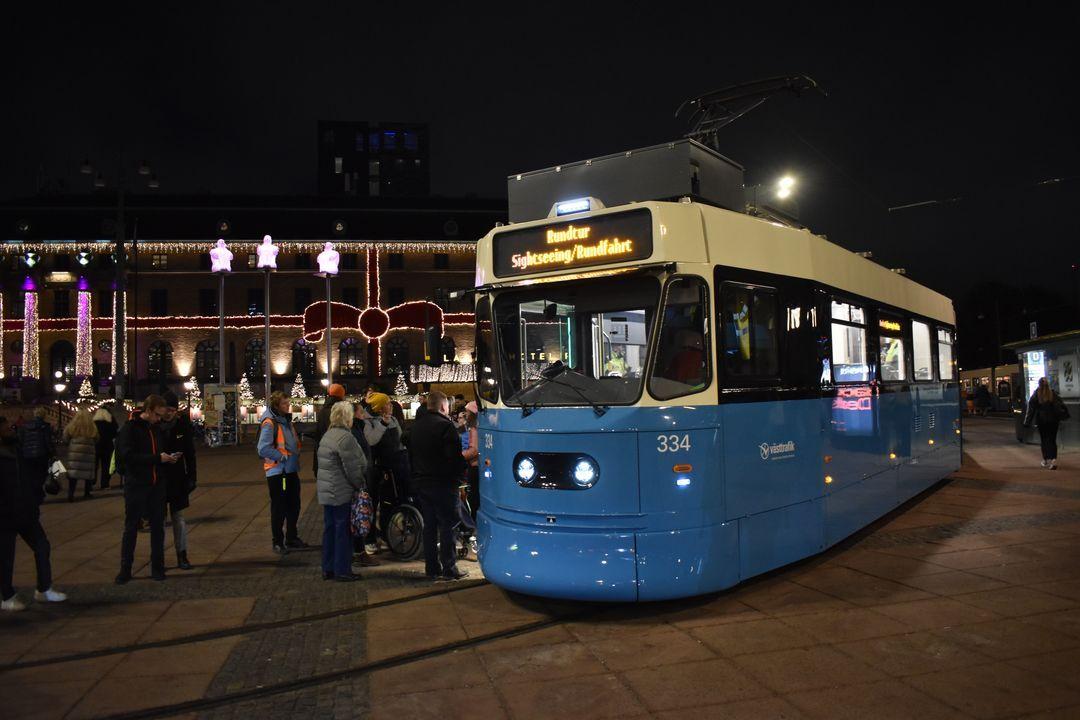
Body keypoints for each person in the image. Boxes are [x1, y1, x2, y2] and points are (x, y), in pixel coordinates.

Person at [1, 416, 67, 611]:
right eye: (5, 429)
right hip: (5, 513)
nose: (11, 430)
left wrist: (52, 479)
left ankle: (44, 588)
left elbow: (42, 466)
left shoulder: (19, 450)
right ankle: (7, 595)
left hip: (26, 509)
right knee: (6, 556)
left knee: (42, 547)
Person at [115, 395, 178, 584]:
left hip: (157, 483)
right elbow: (127, 456)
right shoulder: (130, 429)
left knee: (158, 527)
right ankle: (125, 569)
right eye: (157, 415)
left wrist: (167, 458)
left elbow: (159, 451)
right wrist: (157, 458)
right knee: (131, 526)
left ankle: (158, 568)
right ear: (148, 410)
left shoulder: (156, 429)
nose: (159, 419)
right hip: (137, 484)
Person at [409, 391, 468, 581]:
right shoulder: (445, 426)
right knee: (448, 525)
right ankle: (449, 567)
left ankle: (432, 566)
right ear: (443, 406)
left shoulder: (416, 426)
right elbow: (454, 458)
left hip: (422, 482)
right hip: (443, 483)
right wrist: (459, 476)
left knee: (430, 526)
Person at [316, 401, 367, 582]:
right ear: (347, 417)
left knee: (330, 529)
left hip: (327, 492)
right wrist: (359, 484)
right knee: (343, 531)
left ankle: (328, 567)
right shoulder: (346, 438)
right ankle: (342, 569)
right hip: (341, 492)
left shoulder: (328, 435)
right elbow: (353, 469)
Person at [257, 391, 305, 554]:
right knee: (279, 507)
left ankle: (291, 537)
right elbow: (262, 448)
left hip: (290, 470)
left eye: (288, 402)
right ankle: (278, 541)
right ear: (277, 405)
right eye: (284, 403)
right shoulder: (270, 422)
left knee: (294, 505)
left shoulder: (285, 420)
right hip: (278, 472)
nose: (288, 405)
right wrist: (281, 457)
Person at [160, 391, 197, 570]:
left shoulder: (182, 426)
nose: (169, 413)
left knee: (179, 518)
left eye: (172, 410)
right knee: (159, 519)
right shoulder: (154, 426)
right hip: (158, 478)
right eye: (166, 409)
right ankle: (158, 557)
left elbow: (190, 453)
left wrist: (192, 477)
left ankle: (182, 555)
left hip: (177, 477)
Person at [351, 403, 380, 566]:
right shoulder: (354, 431)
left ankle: (359, 550)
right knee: (358, 515)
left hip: (362, 476)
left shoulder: (358, 428)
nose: (364, 414)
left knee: (359, 515)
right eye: (361, 412)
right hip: (359, 479)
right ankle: (359, 551)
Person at [1024, 377, 1070, 470]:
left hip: (1042, 421)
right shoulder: (1053, 394)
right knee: (1052, 440)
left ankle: (1045, 460)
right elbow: (1060, 406)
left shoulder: (1036, 394)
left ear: (1039, 384)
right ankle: (1053, 460)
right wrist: (1063, 416)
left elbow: (1031, 410)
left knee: (1044, 440)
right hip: (1053, 421)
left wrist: (1027, 422)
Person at [17, 407, 54, 500]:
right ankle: (38, 491)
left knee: (31, 474)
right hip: (42, 454)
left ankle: (34, 492)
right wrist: (52, 452)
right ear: (44, 415)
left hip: (27, 455)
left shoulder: (25, 426)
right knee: (42, 474)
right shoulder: (45, 426)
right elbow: (47, 441)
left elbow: (21, 440)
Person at [63, 409, 98, 502]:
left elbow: (65, 437)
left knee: (73, 474)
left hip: (74, 452)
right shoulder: (92, 427)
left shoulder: (72, 426)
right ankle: (87, 493)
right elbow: (97, 438)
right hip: (88, 451)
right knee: (87, 472)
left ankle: (71, 494)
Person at [94, 407, 119, 490]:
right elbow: (115, 432)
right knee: (106, 466)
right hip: (107, 446)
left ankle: (91, 482)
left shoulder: (94, 423)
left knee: (94, 466)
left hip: (96, 446)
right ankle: (105, 484)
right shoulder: (110, 422)